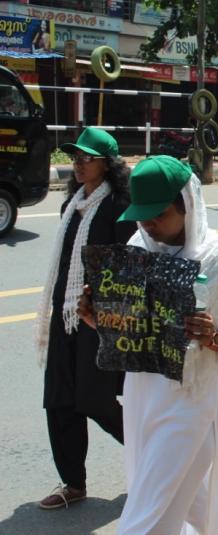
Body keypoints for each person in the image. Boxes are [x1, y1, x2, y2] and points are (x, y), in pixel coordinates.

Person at [98, 156, 218, 534]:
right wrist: (101, 317)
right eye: (142, 216)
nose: (149, 225)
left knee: (147, 522)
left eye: (158, 215)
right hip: (143, 402)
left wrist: (213, 337)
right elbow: (131, 329)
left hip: (191, 412)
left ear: (186, 204)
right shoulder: (138, 246)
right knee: (192, 510)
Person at [34, 128, 134, 510]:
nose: (77, 164)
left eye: (85, 158)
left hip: (99, 319)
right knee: (59, 400)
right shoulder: (72, 204)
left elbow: (127, 267)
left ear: (106, 164)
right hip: (65, 315)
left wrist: (102, 305)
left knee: (95, 400)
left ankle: (156, 455)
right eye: (74, 158)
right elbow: (64, 265)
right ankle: (73, 483)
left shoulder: (118, 208)